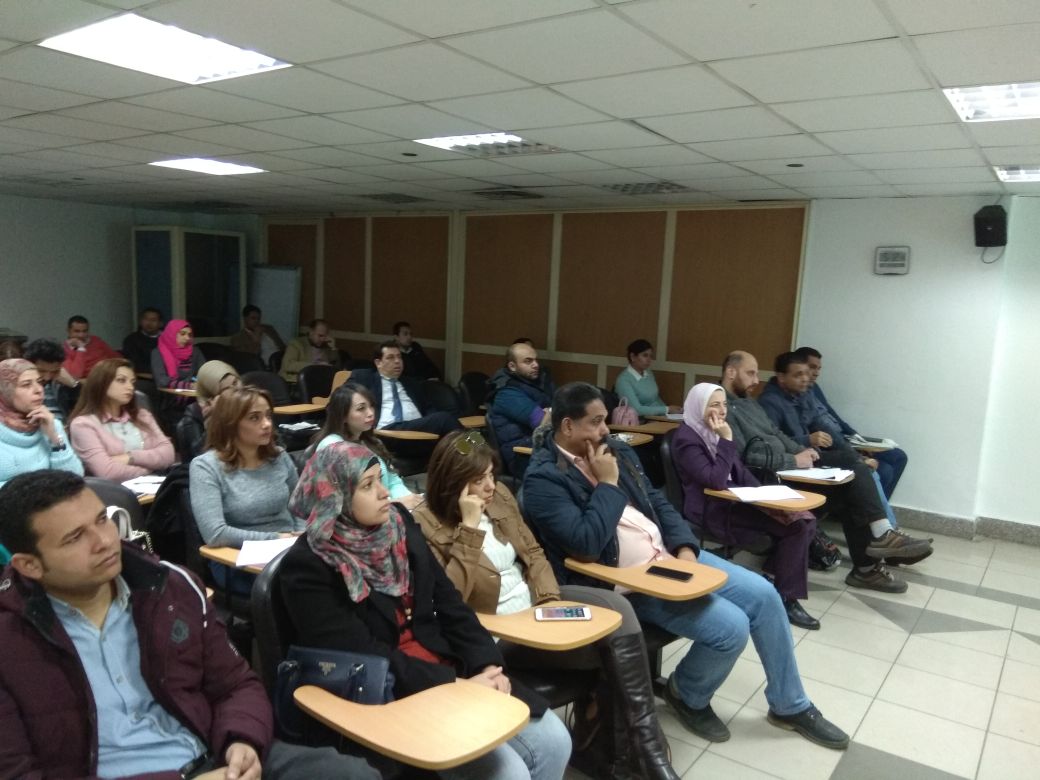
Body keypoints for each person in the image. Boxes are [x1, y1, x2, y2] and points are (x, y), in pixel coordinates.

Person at [522, 382, 849, 749]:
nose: (604, 431)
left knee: (765, 595)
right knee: (731, 627)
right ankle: (687, 694)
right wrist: (608, 485)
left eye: (605, 421)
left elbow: (659, 504)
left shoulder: (614, 452)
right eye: (595, 423)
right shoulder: (544, 479)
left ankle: (790, 704)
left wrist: (685, 548)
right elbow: (585, 543)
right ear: (567, 426)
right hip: (627, 581)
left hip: (669, 556)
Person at [0, 469, 380, 780]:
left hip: (215, 755)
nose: (103, 541)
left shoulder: (170, 587)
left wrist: (243, 740)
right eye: (74, 538)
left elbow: (235, 684)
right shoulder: (10, 640)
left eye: (102, 520)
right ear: (29, 565)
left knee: (350, 774)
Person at [280, 441, 572, 780]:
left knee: (555, 741)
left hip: (450, 667)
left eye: (381, 479)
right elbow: (364, 655)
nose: (384, 493)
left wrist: (487, 665)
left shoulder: (397, 524)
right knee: (508, 774)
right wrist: (457, 685)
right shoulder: (308, 566)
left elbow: (450, 603)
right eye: (367, 485)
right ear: (335, 497)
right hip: (391, 692)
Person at [414, 430, 678, 780]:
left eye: (491, 474)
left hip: (535, 605)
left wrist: (548, 601)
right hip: (497, 630)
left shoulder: (500, 496)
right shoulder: (424, 525)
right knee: (610, 651)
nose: (491, 486)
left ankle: (643, 749)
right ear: (453, 484)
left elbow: (534, 553)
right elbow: (449, 600)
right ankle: (621, 751)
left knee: (617, 611)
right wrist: (470, 530)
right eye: (478, 480)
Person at [721, 351, 931, 593]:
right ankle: (877, 546)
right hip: (768, 479)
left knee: (852, 475)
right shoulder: (722, 408)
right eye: (750, 373)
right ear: (731, 372)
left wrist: (803, 451)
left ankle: (871, 558)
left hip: (790, 466)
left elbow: (777, 434)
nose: (756, 380)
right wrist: (793, 459)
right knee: (854, 477)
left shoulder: (750, 403)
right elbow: (744, 458)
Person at [672, 383, 819, 629]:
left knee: (806, 518)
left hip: (738, 500)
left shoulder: (711, 432)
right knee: (797, 527)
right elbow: (716, 481)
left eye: (724, 404)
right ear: (699, 407)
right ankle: (786, 599)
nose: (722, 410)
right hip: (715, 508)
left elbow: (739, 472)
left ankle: (774, 579)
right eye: (714, 405)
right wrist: (726, 439)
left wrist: (766, 498)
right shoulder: (686, 439)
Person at [758, 351, 902, 532]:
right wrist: (808, 439)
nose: (805, 379)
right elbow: (773, 442)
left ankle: (883, 533)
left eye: (806, 373)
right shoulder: (769, 402)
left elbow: (827, 429)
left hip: (812, 456)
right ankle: (887, 531)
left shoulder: (803, 395)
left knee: (861, 469)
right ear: (781, 377)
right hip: (793, 463)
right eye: (798, 375)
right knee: (859, 470)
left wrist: (858, 456)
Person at [189, 386, 301, 550]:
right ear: (231, 424)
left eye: (268, 416)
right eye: (254, 418)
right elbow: (215, 534)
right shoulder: (205, 467)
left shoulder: (279, 456)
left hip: (291, 546)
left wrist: (302, 535)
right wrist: (276, 539)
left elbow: (301, 508)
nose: (267, 424)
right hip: (240, 553)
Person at [796, 346, 909, 499]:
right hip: (831, 444)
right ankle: (871, 508)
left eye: (819, 368)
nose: (816, 373)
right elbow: (819, 430)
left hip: (845, 438)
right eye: (812, 367)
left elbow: (833, 415)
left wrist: (858, 439)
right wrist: (856, 452)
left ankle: (881, 506)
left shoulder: (814, 388)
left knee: (899, 456)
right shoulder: (796, 396)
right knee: (884, 470)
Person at [310, 381, 424, 510]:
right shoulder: (332, 447)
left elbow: (392, 481)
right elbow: (344, 503)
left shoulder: (371, 441)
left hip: (387, 510)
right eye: (361, 408)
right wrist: (396, 504)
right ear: (343, 416)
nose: (370, 413)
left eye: (371, 406)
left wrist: (411, 501)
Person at [67, 358, 174, 482]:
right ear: (101, 383)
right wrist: (151, 470)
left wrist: (130, 457)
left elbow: (169, 454)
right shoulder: (83, 424)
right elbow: (107, 472)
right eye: (121, 380)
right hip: (112, 492)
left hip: (153, 488)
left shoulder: (142, 415)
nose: (130, 387)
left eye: (132, 382)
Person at [0, 359, 83, 488]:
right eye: (26, 385)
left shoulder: (50, 423)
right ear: (4, 392)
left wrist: (55, 439)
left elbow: (75, 478)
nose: (39, 390)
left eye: (39, 382)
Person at [355, 340, 462, 438]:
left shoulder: (411, 383)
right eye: (390, 357)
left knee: (449, 431)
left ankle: (469, 448)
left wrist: (433, 424)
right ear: (378, 363)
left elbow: (428, 409)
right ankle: (471, 447)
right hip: (385, 432)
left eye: (399, 357)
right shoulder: (365, 378)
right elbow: (346, 400)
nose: (397, 361)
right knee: (445, 419)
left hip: (417, 432)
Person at [487, 341, 554, 478]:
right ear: (512, 366)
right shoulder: (507, 393)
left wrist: (551, 412)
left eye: (535, 360)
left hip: (540, 447)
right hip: (521, 456)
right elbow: (543, 423)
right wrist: (552, 412)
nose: (536, 365)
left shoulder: (537, 383)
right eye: (528, 361)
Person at [175, 359, 241, 462]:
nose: (236, 390)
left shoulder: (247, 405)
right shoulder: (192, 417)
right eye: (226, 388)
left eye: (235, 382)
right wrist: (216, 417)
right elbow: (199, 456)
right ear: (212, 394)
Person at [614, 339, 680, 418]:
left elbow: (656, 398)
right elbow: (636, 410)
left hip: (656, 418)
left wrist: (669, 414)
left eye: (650, 356)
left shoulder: (648, 373)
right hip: (639, 421)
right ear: (633, 357)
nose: (649, 360)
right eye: (645, 355)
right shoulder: (623, 380)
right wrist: (667, 409)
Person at [24, 337, 79, 423]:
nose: (47, 377)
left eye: (54, 371)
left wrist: (74, 385)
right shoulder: (21, 386)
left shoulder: (63, 383)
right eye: (42, 371)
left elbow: (83, 410)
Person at [151, 318, 205, 391]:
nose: (187, 338)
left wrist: (196, 381)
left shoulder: (195, 351)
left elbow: (204, 373)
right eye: (182, 334)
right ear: (171, 334)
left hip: (193, 394)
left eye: (189, 335)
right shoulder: (158, 352)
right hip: (169, 395)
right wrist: (188, 385)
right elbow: (161, 381)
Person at [279, 319, 338, 384]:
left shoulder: (326, 346)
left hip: (318, 380)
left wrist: (333, 348)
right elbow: (288, 365)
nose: (322, 339)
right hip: (295, 381)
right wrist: (315, 366)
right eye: (320, 336)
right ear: (311, 332)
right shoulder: (297, 344)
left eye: (325, 336)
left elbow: (336, 365)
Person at [63, 315, 119, 380]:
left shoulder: (96, 340)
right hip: (90, 381)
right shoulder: (65, 350)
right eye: (77, 331)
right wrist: (81, 349)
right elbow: (75, 375)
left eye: (85, 331)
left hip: (109, 376)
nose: (81, 335)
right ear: (68, 330)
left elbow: (116, 357)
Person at [121, 307, 163, 374]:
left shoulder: (168, 339)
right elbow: (133, 363)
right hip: (143, 376)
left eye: (153, 320)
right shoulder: (132, 339)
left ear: (160, 323)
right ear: (140, 322)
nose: (149, 323)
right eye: (146, 319)